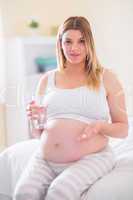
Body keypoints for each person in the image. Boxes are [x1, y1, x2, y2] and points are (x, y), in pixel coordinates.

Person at [13, 16, 128, 200]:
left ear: (89, 43)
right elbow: (38, 134)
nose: (74, 48)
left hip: (93, 157)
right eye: (68, 41)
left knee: (59, 193)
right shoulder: (46, 80)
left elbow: (123, 129)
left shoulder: (106, 78)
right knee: (23, 194)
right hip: (46, 159)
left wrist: (99, 126)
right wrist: (34, 120)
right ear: (60, 44)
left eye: (81, 41)